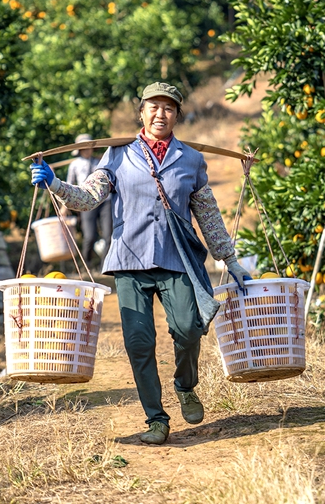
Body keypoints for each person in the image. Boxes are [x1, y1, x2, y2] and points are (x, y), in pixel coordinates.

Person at [30, 82, 250, 445]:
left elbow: (207, 214)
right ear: (141, 112)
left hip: (175, 259)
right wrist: (55, 183)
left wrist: (230, 258)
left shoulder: (191, 160)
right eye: (153, 107)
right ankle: (156, 419)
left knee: (189, 328)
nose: (160, 114)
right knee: (138, 340)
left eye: (168, 108)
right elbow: (87, 198)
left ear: (177, 115)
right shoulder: (117, 155)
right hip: (129, 259)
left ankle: (185, 385)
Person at [66, 134, 112, 267]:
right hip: (86, 201)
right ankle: (87, 264)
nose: (87, 150)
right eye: (84, 147)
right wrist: (67, 204)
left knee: (109, 236)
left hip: (105, 201)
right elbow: (69, 185)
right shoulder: (74, 165)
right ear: (79, 149)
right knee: (90, 236)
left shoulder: (100, 162)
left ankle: (105, 266)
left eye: (89, 147)